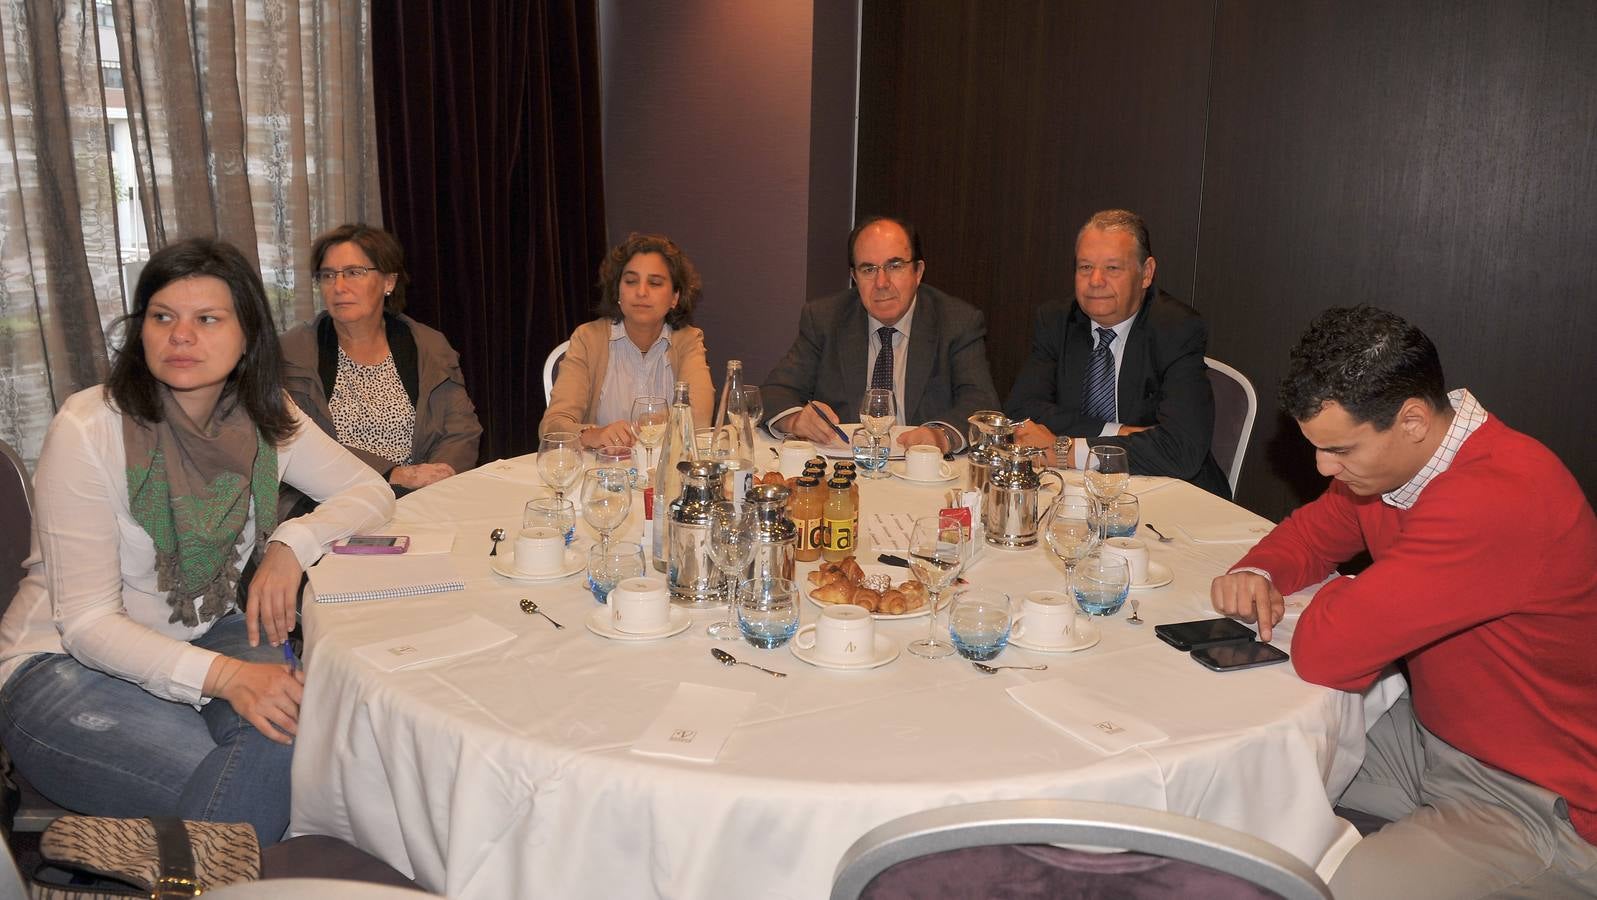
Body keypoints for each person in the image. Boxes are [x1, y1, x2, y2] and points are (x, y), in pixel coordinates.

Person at [0, 238, 395, 845]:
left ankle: (166, 861)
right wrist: (229, 679)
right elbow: (84, 623)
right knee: (280, 778)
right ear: (142, 332)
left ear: (247, 338)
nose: (181, 335)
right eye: (163, 317)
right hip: (59, 666)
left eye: (207, 319)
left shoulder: (266, 416)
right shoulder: (89, 428)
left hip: (208, 626)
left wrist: (292, 543)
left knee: (305, 744)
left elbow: (370, 492)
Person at [1209, 306, 1597, 899]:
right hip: (1430, 738)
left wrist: (1361, 594)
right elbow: (1313, 534)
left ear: (1412, 419)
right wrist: (1259, 568)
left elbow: (1329, 652)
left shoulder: (1496, 498)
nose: (1322, 467)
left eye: (1340, 449)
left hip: (1537, 798)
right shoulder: (1394, 471)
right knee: (1237, 768)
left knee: (1335, 890)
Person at [1006, 209, 1230, 497]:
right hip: (1077, 494)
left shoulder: (1176, 329)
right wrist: (1120, 432)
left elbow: (1180, 449)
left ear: (1146, 273)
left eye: (1112, 268)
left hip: (1171, 495)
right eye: (1085, 267)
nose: (1096, 280)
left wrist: (1069, 449)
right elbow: (1021, 413)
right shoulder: (1056, 320)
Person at [761, 215, 999, 453]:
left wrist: (941, 435)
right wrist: (795, 420)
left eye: (895, 266)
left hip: (921, 472)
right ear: (854, 277)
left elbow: (981, 403)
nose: (882, 282)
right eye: (868, 269)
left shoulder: (957, 322)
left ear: (918, 272)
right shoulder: (825, 318)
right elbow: (775, 392)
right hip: (846, 469)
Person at [281, 224, 482, 497]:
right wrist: (392, 474)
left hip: (421, 498)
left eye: (354, 273)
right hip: (329, 501)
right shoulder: (292, 352)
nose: (339, 287)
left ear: (388, 282)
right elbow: (296, 444)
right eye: (328, 275)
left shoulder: (430, 346)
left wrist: (437, 478)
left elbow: (461, 429)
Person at [540, 232, 715, 445]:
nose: (641, 292)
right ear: (618, 292)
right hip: (602, 472)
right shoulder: (588, 339)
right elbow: (552, 426)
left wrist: (640, 427)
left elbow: (699, 419)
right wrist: (594, 435)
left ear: (674, 297)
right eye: (631, 281)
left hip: (664, 474)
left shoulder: (688, 340)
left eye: (655, 283)